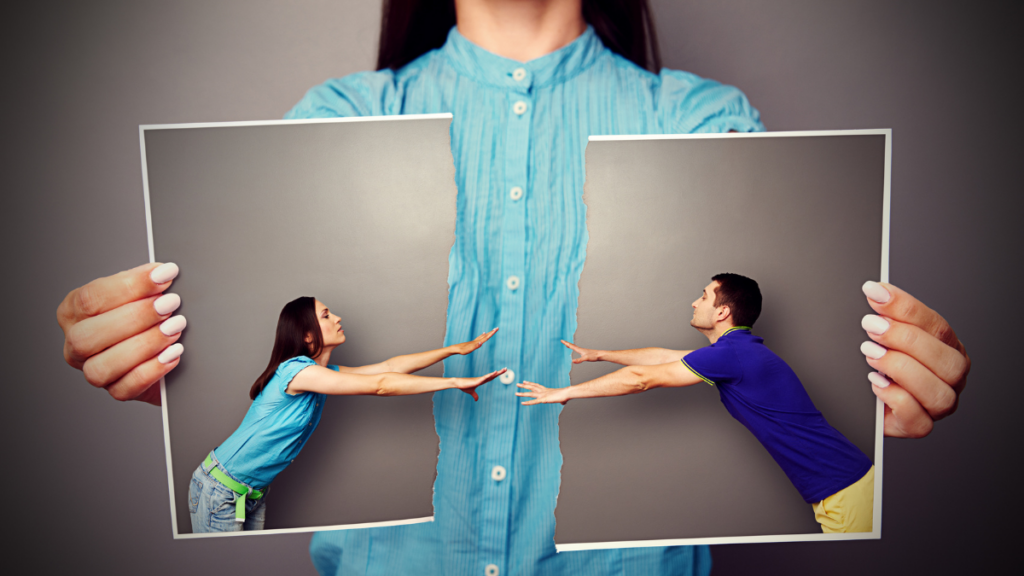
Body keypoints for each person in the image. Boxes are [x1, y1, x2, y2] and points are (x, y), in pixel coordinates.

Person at [55, 0, 970, 573]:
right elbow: (278, 379)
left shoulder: (709, 126)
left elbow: (723, 369)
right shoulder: (337, 122)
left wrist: (889, 375)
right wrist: (159, 349)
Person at [518, 273, 877, 533]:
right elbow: (661, 356)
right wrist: (601, 354)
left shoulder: (732, 356)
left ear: (722, 312)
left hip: (844, 489)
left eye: (704, 296)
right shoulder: (736, 352)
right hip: (843, 486)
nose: (694, 301)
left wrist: (561, 393)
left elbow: (642, 378)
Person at [190, 296, 504, 533]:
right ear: (308, 335)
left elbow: (388, 368)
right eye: (326, 315)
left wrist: (453, 350)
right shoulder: (297, 372)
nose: (337, 317)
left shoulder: (323, 374)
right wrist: (453, 382)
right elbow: (381, 385)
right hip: (221, 490)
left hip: (250, 494)